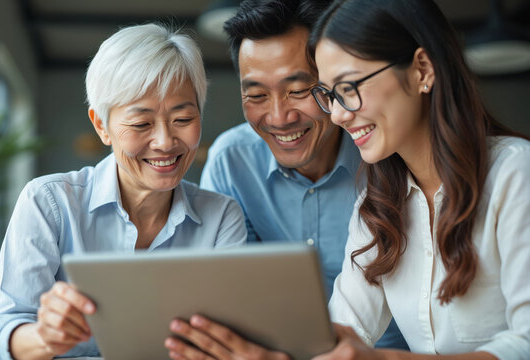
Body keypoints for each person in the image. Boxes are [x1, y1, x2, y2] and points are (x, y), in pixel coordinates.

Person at [167, 0, 530, 359]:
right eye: (330, 94)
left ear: (422, 69)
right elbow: (340, 335)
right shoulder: (380, 203)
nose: (338, 115)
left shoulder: (514, 172)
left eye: (349, 87)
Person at [0, 23, 247, 360]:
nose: (164, 142)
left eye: (183, 118)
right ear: (102, 126)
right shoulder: (50, 202)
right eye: (141, 124)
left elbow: (223, 339)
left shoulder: (221, 217)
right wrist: (46, 337)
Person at [164, 0, 407, 357]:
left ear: (332, 83)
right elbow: (226, 291)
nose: (279, 117)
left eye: (297, 90)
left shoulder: (385, 154)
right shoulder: (233, 162)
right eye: (257, 95)